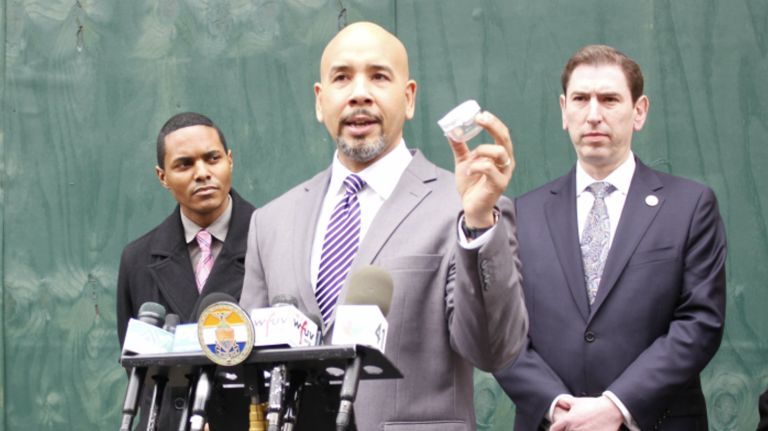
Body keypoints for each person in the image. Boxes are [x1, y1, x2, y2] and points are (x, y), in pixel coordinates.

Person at [239, 21, 527, 430]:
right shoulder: (270, 222)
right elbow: (253, 372)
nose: (359, 93)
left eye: (378, 76)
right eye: (342, 77)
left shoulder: (462, 207)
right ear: (320, 102)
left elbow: (493, 350)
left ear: (408, 98)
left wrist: (478, 222)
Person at [493, 44, 727, 431]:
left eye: (610, 99)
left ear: (639, 111)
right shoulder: (522, 213)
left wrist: (617, 406)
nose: (594, 114)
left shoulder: (690, 206)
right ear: (564, 110)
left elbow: (700, 322)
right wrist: (557, 406)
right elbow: (501, 332)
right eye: (581, 99)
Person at [116, 112, 255, 430]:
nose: (203, 173)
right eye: (184, 164)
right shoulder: (137, 260)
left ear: (229, 160)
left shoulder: (272, 240)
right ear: (162, 176)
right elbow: (138, 371)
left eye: (212, 158)